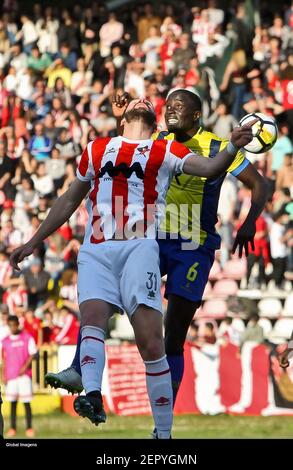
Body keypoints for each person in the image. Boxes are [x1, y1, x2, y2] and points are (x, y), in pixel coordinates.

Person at [10, 97, 255, 439]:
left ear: (154, 124)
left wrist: (231, 145)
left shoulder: (163, 151)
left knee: (153, 345)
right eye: (135, 101)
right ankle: (92, 396)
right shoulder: (97, 148)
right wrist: (34, 240)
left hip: (140, 247)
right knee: (92, 318)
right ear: (122, 119)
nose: (141, 99)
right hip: (95, 248)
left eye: (146, 101)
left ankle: (163, 434)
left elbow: (213, 169)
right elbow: (68, 199)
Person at [1, 315, 37, 437]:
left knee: (26, 402)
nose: (12, 327)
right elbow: (3, 359)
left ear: (18, 324)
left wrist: (25, 367)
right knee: (13, 403)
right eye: (10, 325)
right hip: (11, 376)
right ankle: (12, 428)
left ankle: (29, 428)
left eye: (14, 325)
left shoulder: (27, 338)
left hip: (24, 375)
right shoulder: (4, 341)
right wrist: (3, 374)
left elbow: (32, 354)